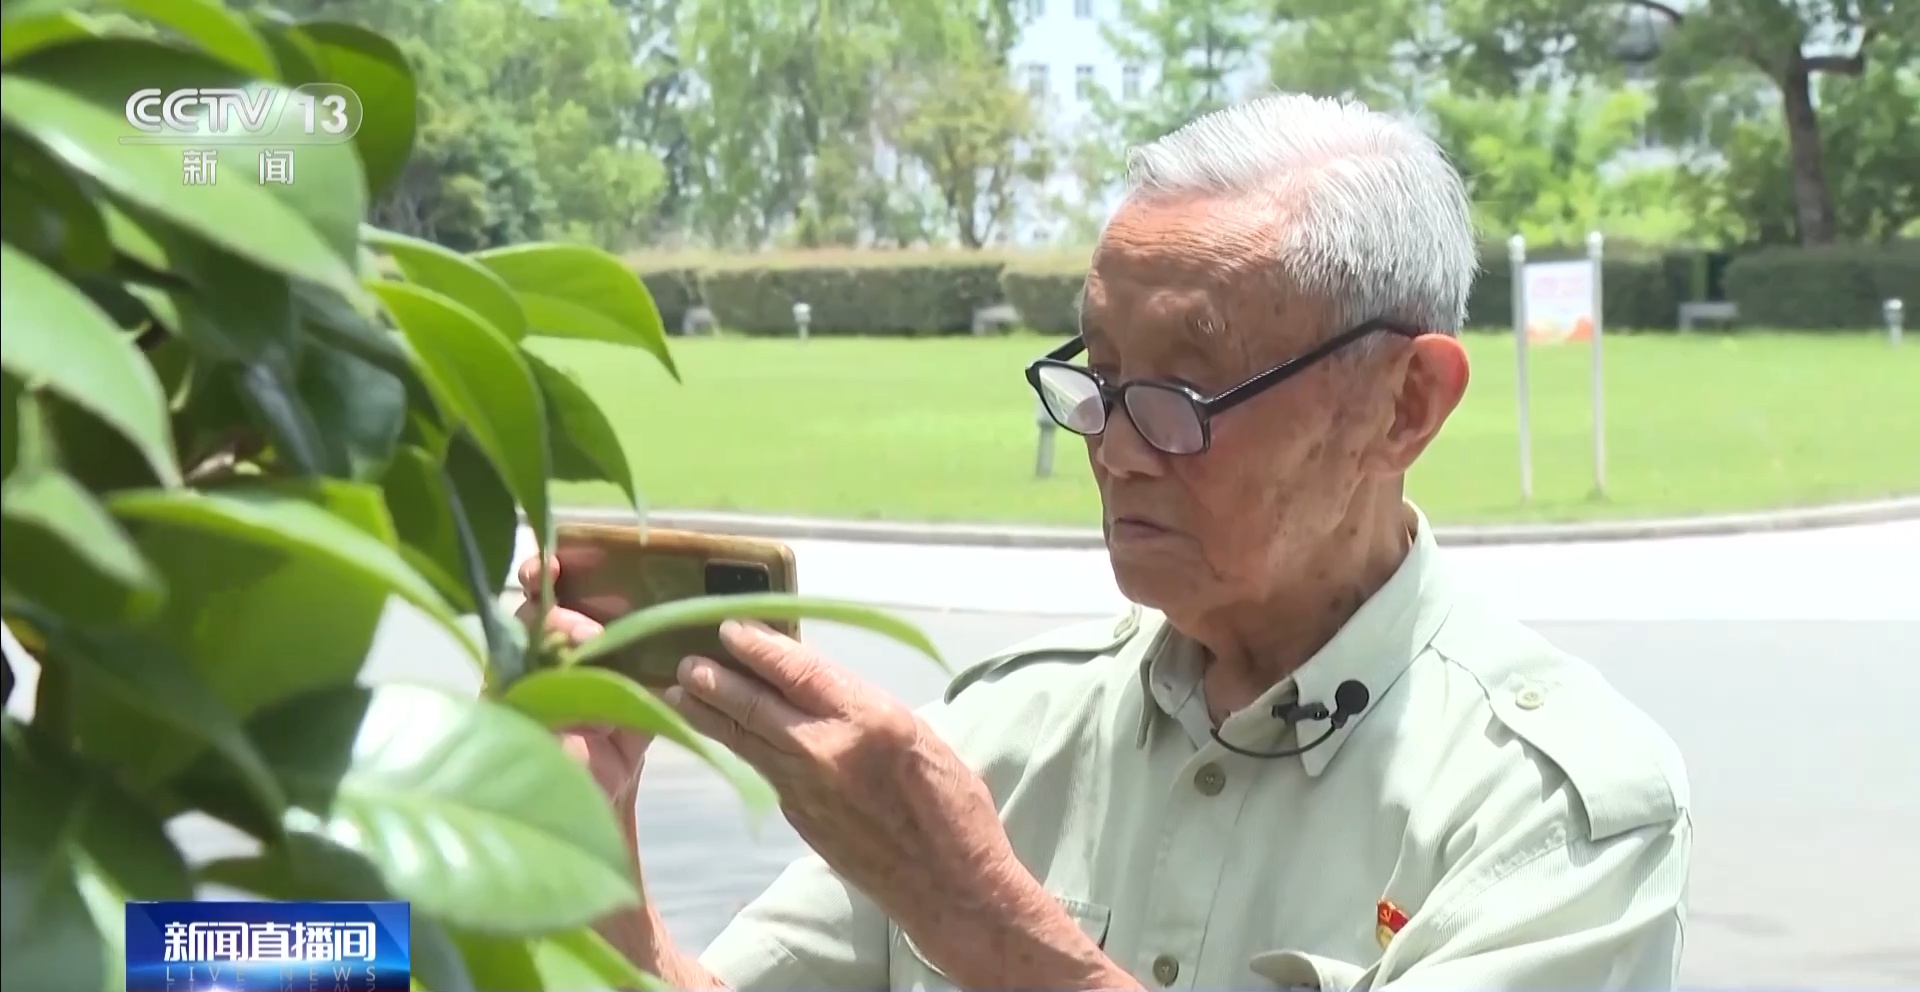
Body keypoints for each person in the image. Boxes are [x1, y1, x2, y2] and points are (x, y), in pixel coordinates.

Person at [519, 92, 1691, 992]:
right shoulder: (1007, 730)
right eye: (1104, 375)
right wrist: (586, 852)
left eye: (1187, 390)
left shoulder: (1547, 810)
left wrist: (983, 920)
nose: (1118, 448)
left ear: (1406, 404)